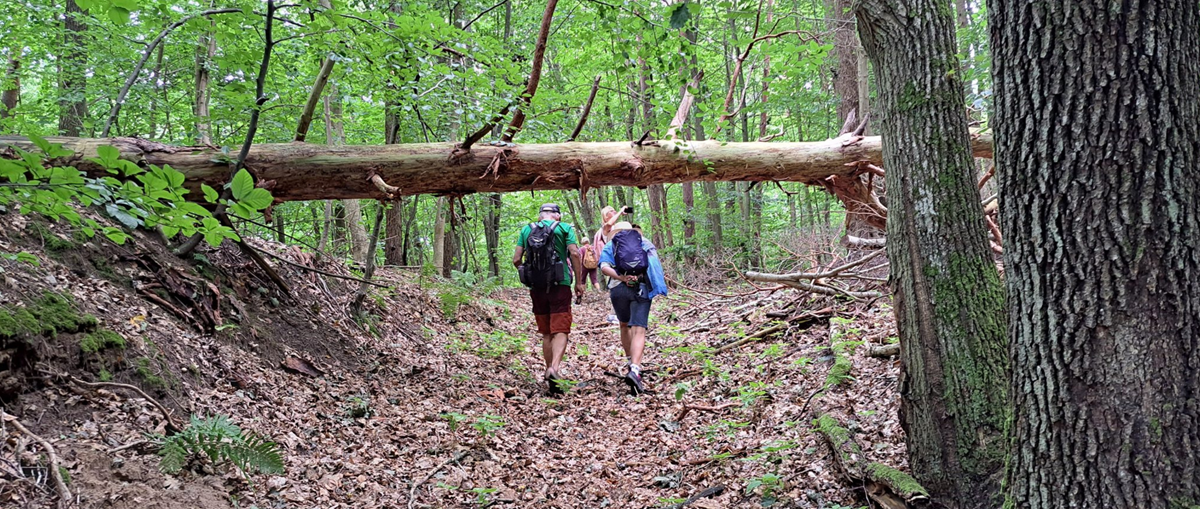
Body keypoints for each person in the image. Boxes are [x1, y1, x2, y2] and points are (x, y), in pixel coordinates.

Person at [513, 203, 585, 395]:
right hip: (560, 283)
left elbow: (516, 259)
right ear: (558, 216)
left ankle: (548, 369)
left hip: (536, 287)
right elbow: (576, 254)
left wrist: (528, 274)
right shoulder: (565, 228)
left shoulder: (526, 229)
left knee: (546, 332)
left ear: (540, 217)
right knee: (560, 329)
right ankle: (554, 368)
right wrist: (579, 282)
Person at [599, 221, 668, 395]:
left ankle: (630, 361)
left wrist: (622, 278)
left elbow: (604, 267)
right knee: (639, 329)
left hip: (618, 289)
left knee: (624, 325)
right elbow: (655, 267)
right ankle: (635, 370)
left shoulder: (610, 244)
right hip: (641, 288)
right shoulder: (645, 243)